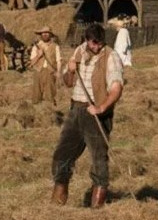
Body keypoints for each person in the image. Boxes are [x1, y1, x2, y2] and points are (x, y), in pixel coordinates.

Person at [51, 22, 124, 207]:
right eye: (93, 43)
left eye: (100, 43)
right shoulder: (79, 52)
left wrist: (101, 108)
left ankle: (96, 209)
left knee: (99, 159)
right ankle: (56, 206)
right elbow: (68, 82)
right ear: (86, 40)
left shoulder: (111, 57)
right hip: (76, 111)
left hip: (96, 114)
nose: (97, 47)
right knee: (61, 156)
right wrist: (70, 70)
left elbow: (116, 88)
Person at [28, 27, 62, 104]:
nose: (45, 34)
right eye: (43, 33)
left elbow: (58, 61)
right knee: (36, 92)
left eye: (47, 33)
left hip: (51, 71)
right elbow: (32, 63)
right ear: (41, 35)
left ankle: (50, 109)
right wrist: (38, 56)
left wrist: (58, 72)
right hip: (38, 71)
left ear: (50, 34)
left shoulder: (55, 46)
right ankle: (37, 108)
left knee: (50, 93)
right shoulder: (36, 47)